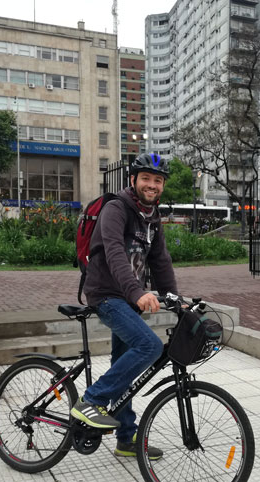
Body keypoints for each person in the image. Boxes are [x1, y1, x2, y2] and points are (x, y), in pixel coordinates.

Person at [70, 152, 178, 461]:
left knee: (124, 366)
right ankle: (90, 400)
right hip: (106, 294)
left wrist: (175, 300)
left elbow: (160, 261)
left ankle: (126, 439)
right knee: (149, 346)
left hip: (128, 298)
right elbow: (115, 252)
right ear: (133, 180)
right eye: (146, 178)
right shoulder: (116, 209)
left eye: (158, 180)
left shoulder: (152, 217)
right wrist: (136, 291)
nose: (152, 185)